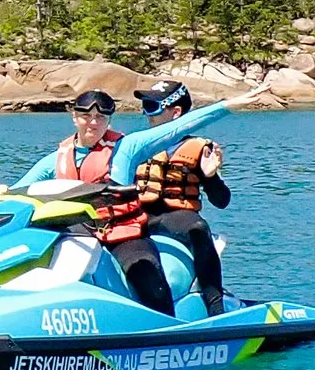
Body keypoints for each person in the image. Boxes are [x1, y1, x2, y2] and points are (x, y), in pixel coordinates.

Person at [46, 88, 171, 315]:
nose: (93, 123)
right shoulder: (59, 156)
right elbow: (21, 186)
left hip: (121, 233)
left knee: (145, 272)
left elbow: (180, 127)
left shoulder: (125, 149)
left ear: (108, 122)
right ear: (75, 118)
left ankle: (172, 332)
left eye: (100, 117)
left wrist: (228, 105)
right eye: (86, 116)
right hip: (78, 232)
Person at [130, 78, 230, 317]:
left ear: (175, 113)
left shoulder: (198, 149)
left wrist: (211, 176)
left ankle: (215, 305)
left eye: (152, 108)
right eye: (144, 106)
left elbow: (222, 201)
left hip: (176, 216)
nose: (147, 115)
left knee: (197, 228)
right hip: (140, 215)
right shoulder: (134, 147)